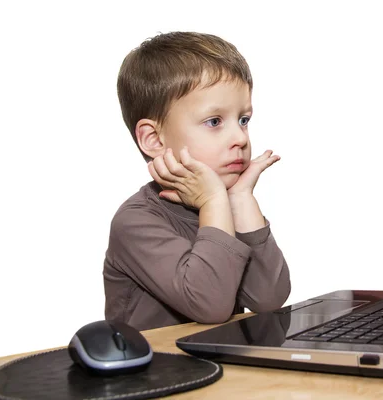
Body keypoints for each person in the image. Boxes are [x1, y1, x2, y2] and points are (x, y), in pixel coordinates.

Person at [102, 31, 291, 331]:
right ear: (153, 139)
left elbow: (268, 301)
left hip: (220, 368)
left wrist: (241, 200)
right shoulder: (135, 222)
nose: (240, 138)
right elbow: (210, 305)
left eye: (243, 120)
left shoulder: (227, 205)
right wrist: (214, 201)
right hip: (156, 374)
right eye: (214, 122)